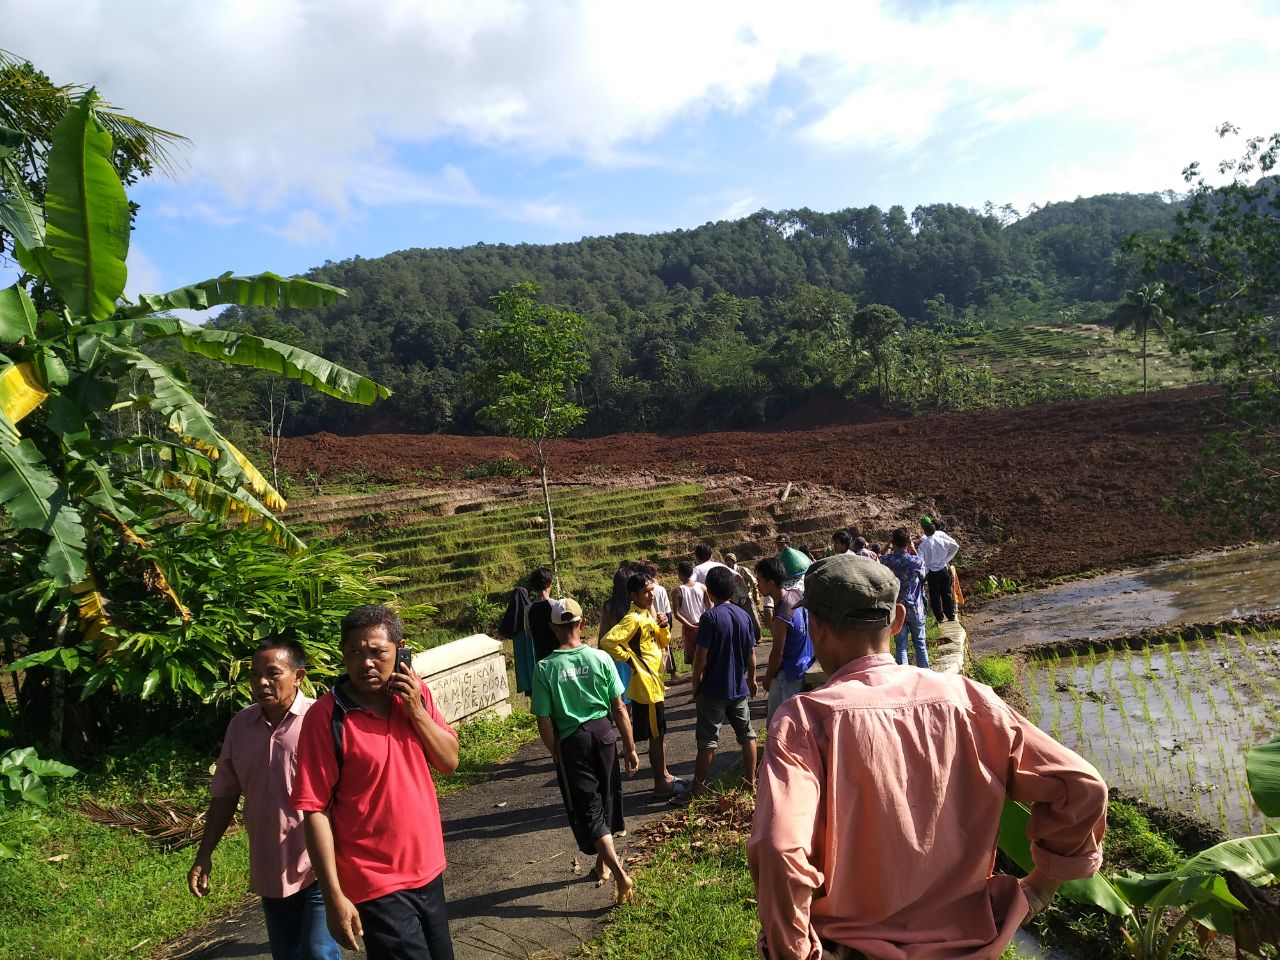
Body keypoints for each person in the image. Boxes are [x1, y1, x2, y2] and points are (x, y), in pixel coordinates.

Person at [749, 555, 1108, 960]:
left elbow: (780, 850)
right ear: (898, 620)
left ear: (816, 626)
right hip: (970, 946)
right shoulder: (968, 700)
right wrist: (1041, 885)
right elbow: (1082, 786)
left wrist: (794, 951)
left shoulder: (804, 721)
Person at [291, 606, 460, 960]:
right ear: (343, 653)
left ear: (400, 650)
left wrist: (416, 710)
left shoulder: (414, 694)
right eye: (354, 652)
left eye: (378, 652)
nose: (366, 663)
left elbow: (449, 762)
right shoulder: (325, 718)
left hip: (428, 868)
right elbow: (315, 811)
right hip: (375, 882)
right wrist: (334, 897)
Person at [190, 638, 340, 960]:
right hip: (270, 866)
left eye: (272, 673)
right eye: (255, 674)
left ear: (298, 676)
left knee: (318, 953)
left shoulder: (321, 719)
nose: (261, 682)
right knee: (286, 954)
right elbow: (225, 793)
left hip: (320, 866)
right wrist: (204, 854)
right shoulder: (241, 726)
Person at [531, 597, 640, 904]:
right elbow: (619, 707)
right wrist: (630, 746)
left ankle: (620, 875)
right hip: (604, 735)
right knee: (606, 799)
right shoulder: (601, 658)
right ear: (582, 624)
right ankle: (602, 866)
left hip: (573, 741)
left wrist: (556, 752)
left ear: (553, 628)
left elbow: (544, 719)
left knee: (590, 809)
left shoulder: (545, 668)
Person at [601, 571, 685, 797]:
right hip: (647, 686)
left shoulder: (648, 614)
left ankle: (665, 775)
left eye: (651, 590)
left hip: (655, 684)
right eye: (646, 592)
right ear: (633, 595)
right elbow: (607, 641)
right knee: (656, 737)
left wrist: (664, 625)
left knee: (660, 733)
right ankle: (661, 784)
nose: (651, 595)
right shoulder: (634, 618)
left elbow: (663, 642)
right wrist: (631, 661)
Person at [683, 566, 758, 802]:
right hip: (738, 688)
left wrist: (695, 682)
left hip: (714, 688)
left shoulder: (710, 618)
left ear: (710, 591)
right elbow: (751, 654)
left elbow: (700, 656)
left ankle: (697, 789)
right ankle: (751, 782)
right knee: (747, 735)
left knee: (708, 741)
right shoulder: (744, 616)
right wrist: (752, 679)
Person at [754, 556, 814, 723]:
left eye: (759, 580)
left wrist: (767, 679)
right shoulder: (797, 595)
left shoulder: (781, 615)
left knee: (777, 724)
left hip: (787, 675)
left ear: (770, 583)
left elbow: (777, 653)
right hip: (804, 665)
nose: (757, 585)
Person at [880, 526, 929, 668]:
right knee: (920, 644)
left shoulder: (887, 561)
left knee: (901, 646)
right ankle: (925, 672)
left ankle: (903, 674)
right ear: (908, 542)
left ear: (893, 542)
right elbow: (923, 574)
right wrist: (913, 549)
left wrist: (888, 546)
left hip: (897, 609)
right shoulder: (915, 561)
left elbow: (881, 557)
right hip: (915, 608)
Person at [598, 563, 636, 695]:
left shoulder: (609, 606)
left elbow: (603, 635)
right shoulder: (637, 604)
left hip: (618, 657)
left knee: (623, 696)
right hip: (638, 655)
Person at [636, 560, 676, 680]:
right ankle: (671, 676)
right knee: (665, 652)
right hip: (661, 624)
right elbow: (668, 612)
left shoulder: (639, 593)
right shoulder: (660, 589)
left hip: (647, 627)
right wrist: (667, 627)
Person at [918, 516, 961, 623]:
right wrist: (946, 560)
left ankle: (939, 617)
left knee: (935, 596)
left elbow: (921, 561)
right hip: (943, 570)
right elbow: (955, 546)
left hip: (932, 573)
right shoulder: (941, 540)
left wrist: (925, 571)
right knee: (947, 593)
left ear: (925, 531)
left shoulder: (923, 545)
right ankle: (950, 615)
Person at [673, 559, 711, 675]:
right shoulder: (702, 587)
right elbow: (710, 607)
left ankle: (697, 681)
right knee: (707, 654)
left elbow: (676, 613)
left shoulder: (677, 591)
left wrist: (690, 625)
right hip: (704, 625)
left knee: (694, 659)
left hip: (689, 628)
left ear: (680, 574)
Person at [498, 582, 535, 697]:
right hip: (531, 641)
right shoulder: (531, 610)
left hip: (518, 641)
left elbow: (505, 631)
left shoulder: (512, 613)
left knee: (523, 666)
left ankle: (528, 689)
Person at [724, 551, 763, 643]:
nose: (729, 562)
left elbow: (754, 582)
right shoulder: (727, 573)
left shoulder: (742, 570)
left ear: (734, 561)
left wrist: (756, 595)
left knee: (753, 618)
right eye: (727, 561)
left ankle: (758, 638)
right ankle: (744, 639)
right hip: (734, 599)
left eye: (730, 560)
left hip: (746, 598)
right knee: (738, 620)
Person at [525, 567, 558, 662]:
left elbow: (529, 633)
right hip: (558, 657)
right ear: (550, 583)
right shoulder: (556, 605)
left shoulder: (528, 610)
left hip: (541, 659)